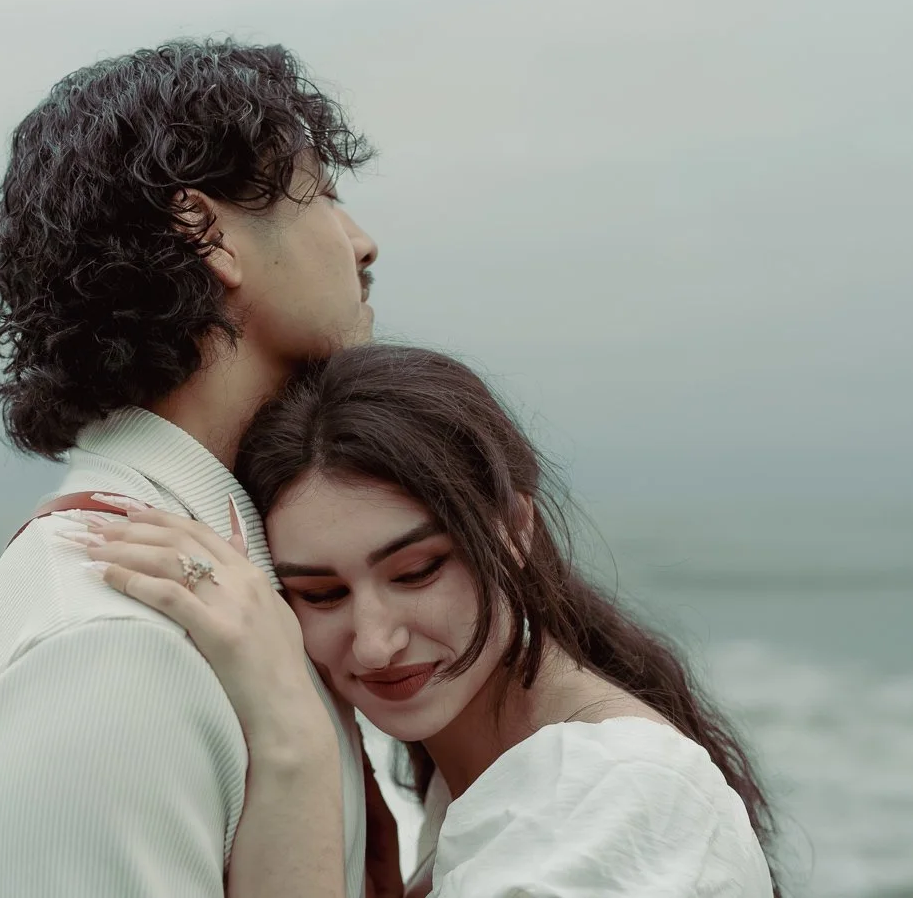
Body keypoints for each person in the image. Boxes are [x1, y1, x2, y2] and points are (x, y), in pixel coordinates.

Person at [0, 38, 390, 898]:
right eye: (322, 191)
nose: (363, 243)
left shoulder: (241, 588)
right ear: (205, 229)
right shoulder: (112, 649)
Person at [67, 344, 781, 897]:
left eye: (416, 572)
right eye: (320, 594)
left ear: (514, 530)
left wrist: (295, 740)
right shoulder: (488, 772)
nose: (376, 641)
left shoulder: (614, 792)